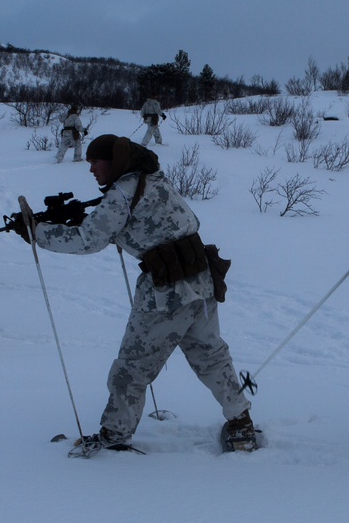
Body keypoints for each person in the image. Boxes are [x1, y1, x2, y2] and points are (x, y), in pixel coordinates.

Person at [14, 134, 258, 452]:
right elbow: (157, 222)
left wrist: (37, 232)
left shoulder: (122, 194)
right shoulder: (153, 179)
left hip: (168, 293)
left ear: (113, 162)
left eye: (95, 162)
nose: (91, 169)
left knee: (132, 367)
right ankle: (241, 425)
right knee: (211, 357)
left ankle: (114, 435)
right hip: (200, 281)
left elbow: (88, 240)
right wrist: (90, 219)